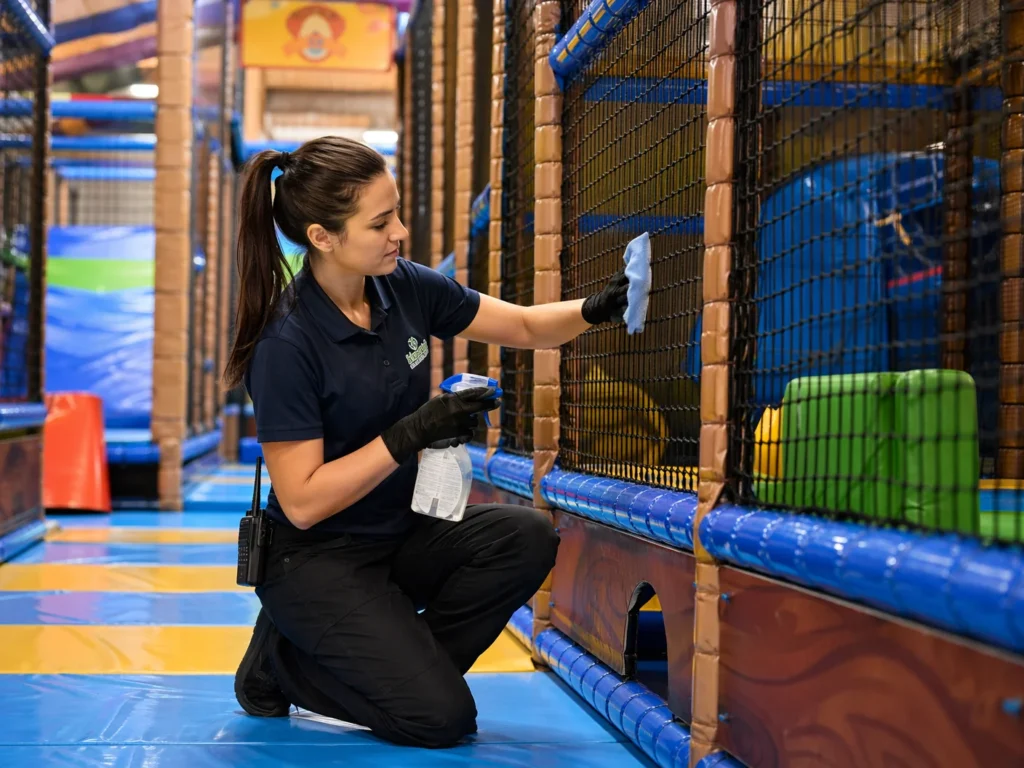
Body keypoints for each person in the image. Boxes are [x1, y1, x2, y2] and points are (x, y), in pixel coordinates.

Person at [224, 136, 632, 749]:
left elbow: (521, 324)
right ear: (322, 237)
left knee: (525, 537)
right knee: (438, 719)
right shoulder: (287, 343)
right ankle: (284, 664)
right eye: (381, 222)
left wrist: (597, 309)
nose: (400, 233)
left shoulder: (404, 287)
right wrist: (415, 430)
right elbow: (303, 500)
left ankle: (395, 668)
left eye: (397, 214)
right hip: (313, 556)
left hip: (396, 534)